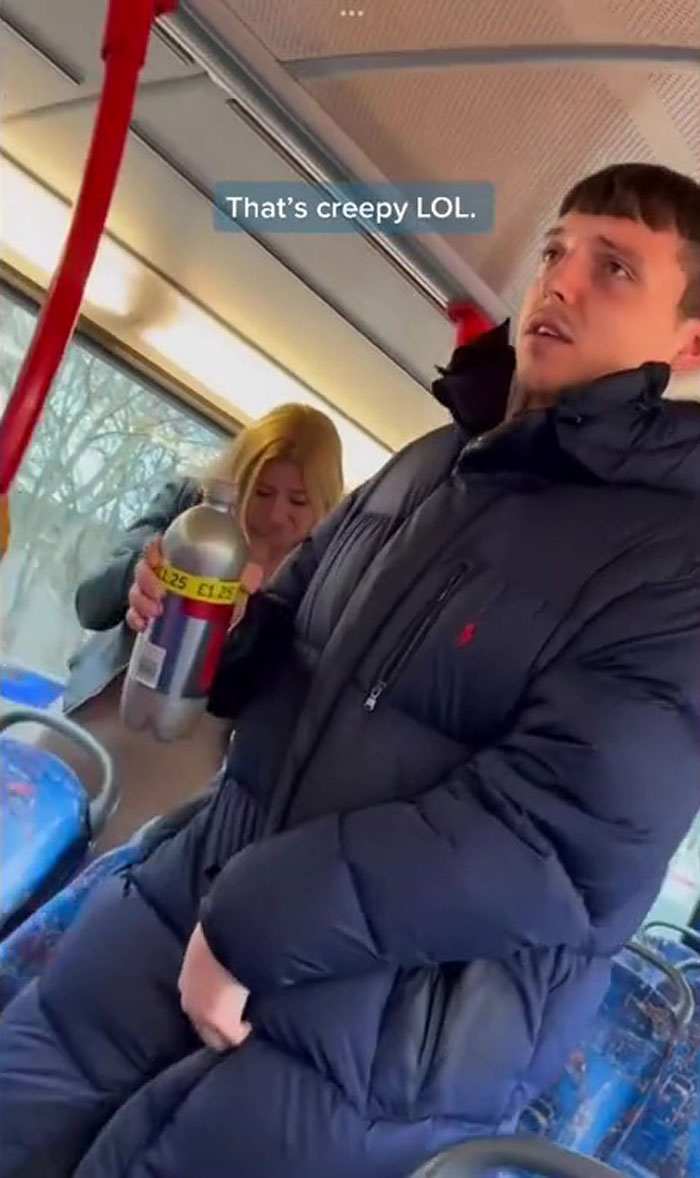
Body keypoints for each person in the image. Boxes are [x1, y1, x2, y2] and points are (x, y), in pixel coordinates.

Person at [2, 161, 700, 1178]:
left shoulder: (676, 557)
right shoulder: (426, 464)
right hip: (180, 910)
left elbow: (556, 843)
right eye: (553, 250)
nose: (558, 281)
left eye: (614, 267)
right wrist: (205, 632)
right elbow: (283, 640)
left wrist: (253, 925)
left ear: (687, 339)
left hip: (373, 1036)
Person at [51, 402, 344, 849]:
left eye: (298, 501)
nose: (275, 514)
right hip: (95, 710)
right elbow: (90, 603)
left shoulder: (320, 581)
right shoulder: (187, 508)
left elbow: (253, 691)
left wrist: (236, 625)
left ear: (325, 505)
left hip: (188, 754)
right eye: (262, 492)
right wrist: (140, 574)